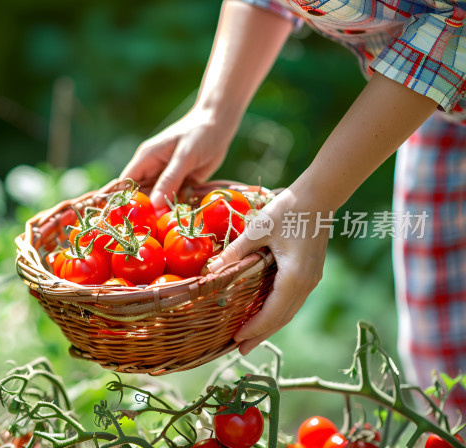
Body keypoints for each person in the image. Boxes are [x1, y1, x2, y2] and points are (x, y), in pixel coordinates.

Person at [121, 0, 466, 417]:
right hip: (434, 108)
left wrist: (315, 198)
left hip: (433, 90)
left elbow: (456, 23)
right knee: (446, 380)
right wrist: (213, 111)